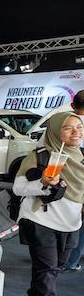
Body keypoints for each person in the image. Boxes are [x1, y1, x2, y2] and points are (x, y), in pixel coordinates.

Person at [13, 112, 84, 296]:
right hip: (41, 220)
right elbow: (18, 188)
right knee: (47, 268)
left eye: (79, 127)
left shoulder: (82, 158)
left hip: (71, 224)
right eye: (68, 128)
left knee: (56, 266)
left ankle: (36, 294)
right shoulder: (40, 156)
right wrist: (43, 183)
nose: (76, 132)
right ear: (54, 131)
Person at [61, 91, 84, 273]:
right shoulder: (77, 128)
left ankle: (63, 257)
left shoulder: (63, 124)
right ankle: (71, 260)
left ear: (72, 105)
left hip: (62, 185)